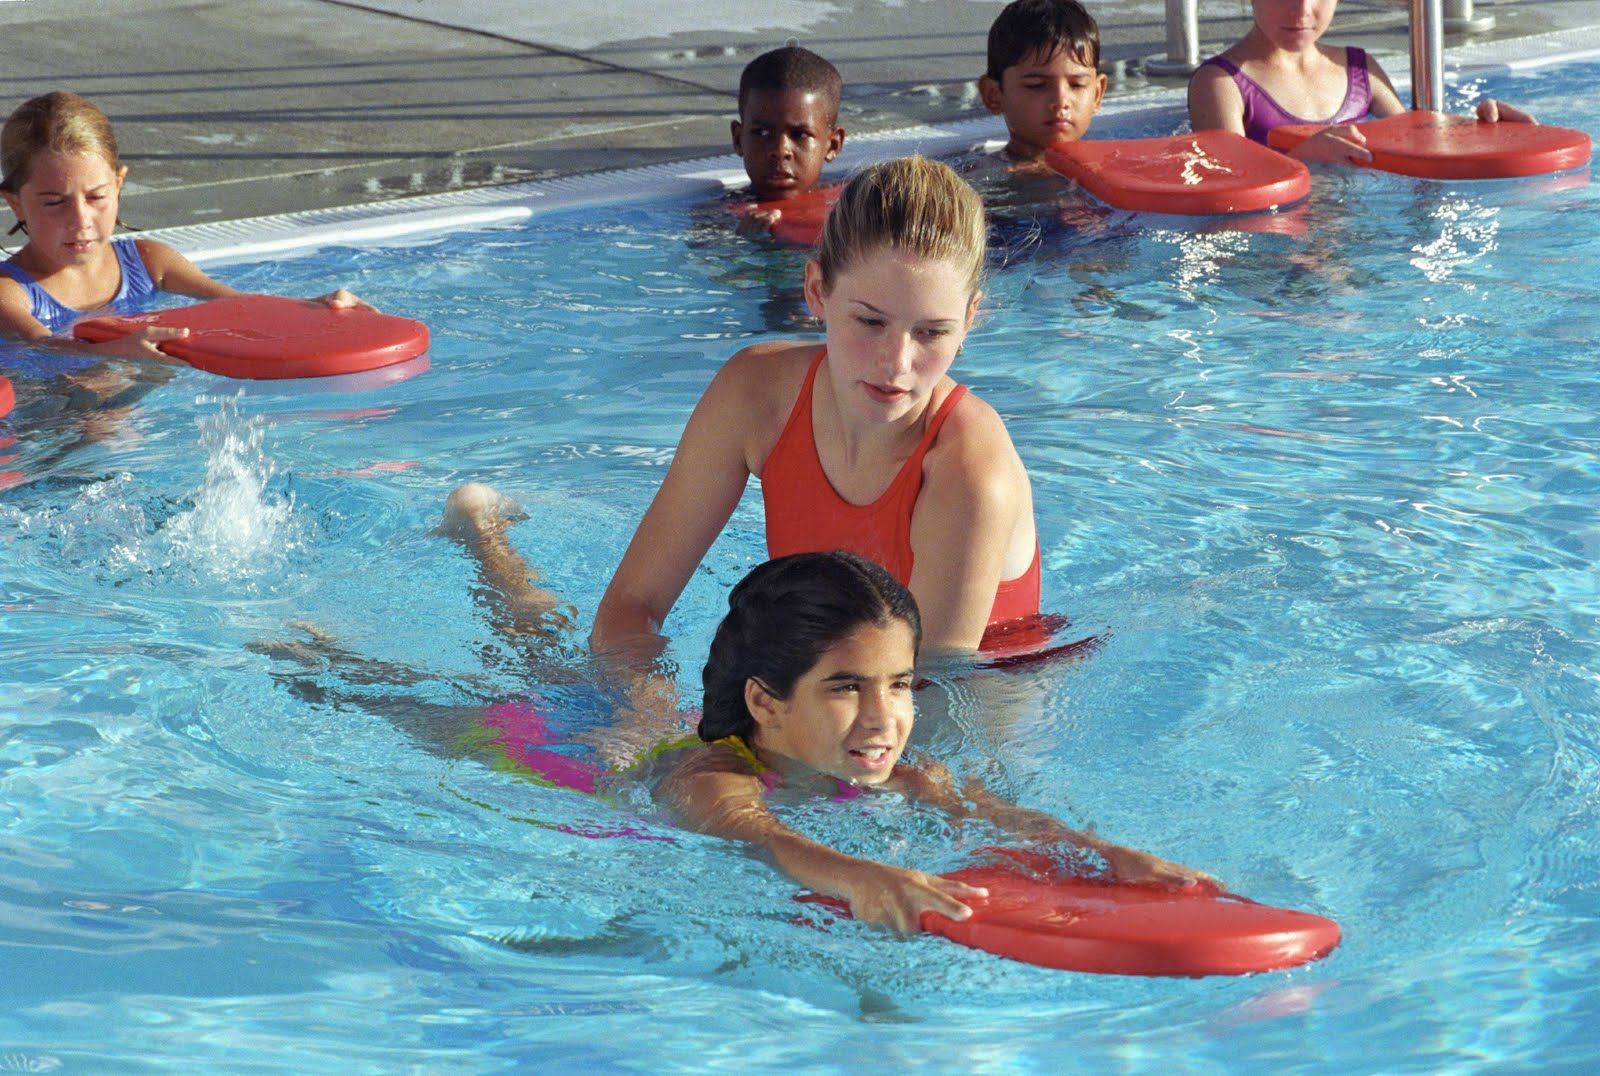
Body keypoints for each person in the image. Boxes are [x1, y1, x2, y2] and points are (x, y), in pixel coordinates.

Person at [658, 551, 1211, 932]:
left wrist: (1107, 855)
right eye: (846, 687)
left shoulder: (912, 774)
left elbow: (995, 815)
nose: (884, 721)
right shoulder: (711, 780)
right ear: (764, 702)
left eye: (898, 685)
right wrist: (864, 877)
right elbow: (761, 838)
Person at [0, 92, 369, 357]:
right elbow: (43, 347)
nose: (80, 220)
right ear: (15, 203)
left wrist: (315, 308)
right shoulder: (10, 291)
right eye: (54, 203)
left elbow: (235, 303)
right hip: (45, 418)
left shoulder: (148, 263)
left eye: (97, 198)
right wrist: (114, 352)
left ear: (118, 185)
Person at [1188, 0, 1536, 164]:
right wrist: (1303, 159)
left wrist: (1480, 129)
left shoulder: (1360, 69)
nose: (1302, 9)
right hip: (1274, 254)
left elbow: (1421, 142)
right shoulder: (1221, 83)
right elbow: (1228, 185)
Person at [730, 45, 847, 237]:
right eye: (761, 132)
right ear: (738, 139)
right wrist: (744, 246)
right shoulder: (716, 218)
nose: (780, 150)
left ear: (833, 145)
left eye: (800, 135)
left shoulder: (854, 211)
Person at [976, 0, 1107, 167]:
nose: (1061, 101)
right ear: (993, 95)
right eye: (1036, 85)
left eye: (1077, 85)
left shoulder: (1113, 164)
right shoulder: (979, 178)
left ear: (1097, 94)